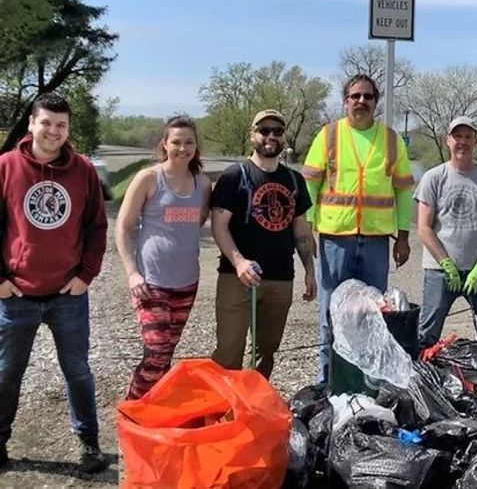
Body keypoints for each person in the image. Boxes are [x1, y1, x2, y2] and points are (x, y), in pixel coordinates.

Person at [0, 93, 108, 472]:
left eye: (61, 125)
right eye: (46, 122)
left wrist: (86, 276)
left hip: (68, 294)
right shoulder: (6, 167)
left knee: (77, 370)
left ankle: (89, 443)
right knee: (6, 372)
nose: (53, 131)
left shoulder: (83, 171)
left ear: (68, 129)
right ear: (31, 123)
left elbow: (97, 227)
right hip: (16, 294)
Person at [302, 74, 414, 382]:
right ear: (345, 101)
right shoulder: (329, 135)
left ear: (376, 102)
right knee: (330, 315)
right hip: (335, 241)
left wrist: (403, 236)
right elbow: (309, 184)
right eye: (355, 96)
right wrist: (307, 226)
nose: (361, 101)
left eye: (367, 96)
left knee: (373, 316)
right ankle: (327, 386)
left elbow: (404, 190)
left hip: (377, 242)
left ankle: (368, 388)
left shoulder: (391, 140)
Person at [210, 109, 316, 378]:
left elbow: (300, 228)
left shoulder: (294, 179)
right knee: (228, 352)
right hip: (237, 278)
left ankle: (254, 406)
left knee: (266, 352)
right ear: (252, 136)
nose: (271, 136)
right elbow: (219, 225)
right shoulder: (235, 176)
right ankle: (224, 410)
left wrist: (310, 271)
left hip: (280, 278)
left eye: (277, 131)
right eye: (264, 130)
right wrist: (239, 262)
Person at [115, 116, 211, 400]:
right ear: (165, 144)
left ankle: (155, 410)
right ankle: (132, 410)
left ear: (196, 146)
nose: (183, 148)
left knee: (166, 352)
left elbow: (202, 220)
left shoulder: (202, 183)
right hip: (151, 282)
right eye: (176, 142)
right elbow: (123, 226)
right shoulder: (148, 178)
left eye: (189, 142)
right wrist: (132, 273)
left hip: (186, 283)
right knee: (156, 353)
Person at [415, 116, 477, 348]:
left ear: (476, 141)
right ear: (448, 141)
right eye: (458, 137)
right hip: (440, 271)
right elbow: (424, 228)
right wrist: (446, 263)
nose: (463, 142)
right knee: (427, 334)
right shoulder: (433, 177)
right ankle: (421, 378)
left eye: (468, 137)